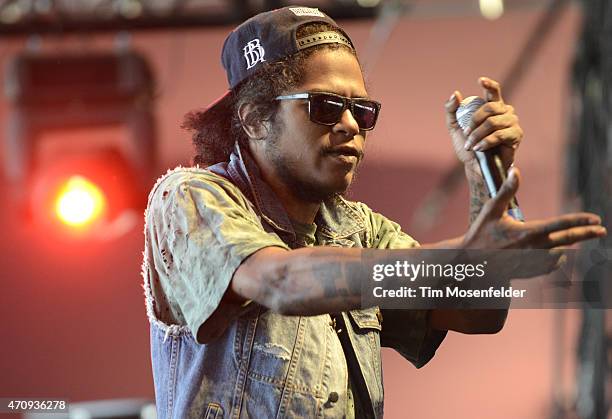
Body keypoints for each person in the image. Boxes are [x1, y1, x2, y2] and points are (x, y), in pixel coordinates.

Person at [141, 6, 606, 418]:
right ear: (256, 118)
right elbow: (281, 281)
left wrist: (486, 173)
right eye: (325, 106)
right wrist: (465, 256)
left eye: (361, 111)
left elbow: (479, 311)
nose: (350, 126)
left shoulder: (357, 230)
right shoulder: (190, 197)